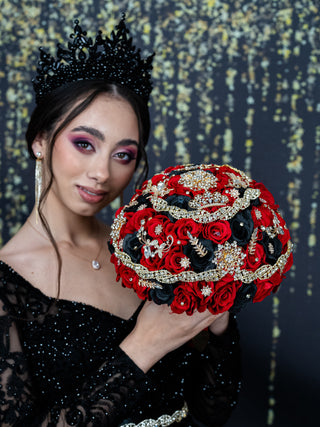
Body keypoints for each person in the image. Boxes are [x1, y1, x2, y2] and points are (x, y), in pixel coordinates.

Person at [0, 16, 241, 426]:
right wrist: (144, 345)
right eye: (84, 143)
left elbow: (212, 410)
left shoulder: (154, 254)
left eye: (123, 154)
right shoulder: (7, 286)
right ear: (40, 140)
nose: (102, 172)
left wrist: (218, 324)